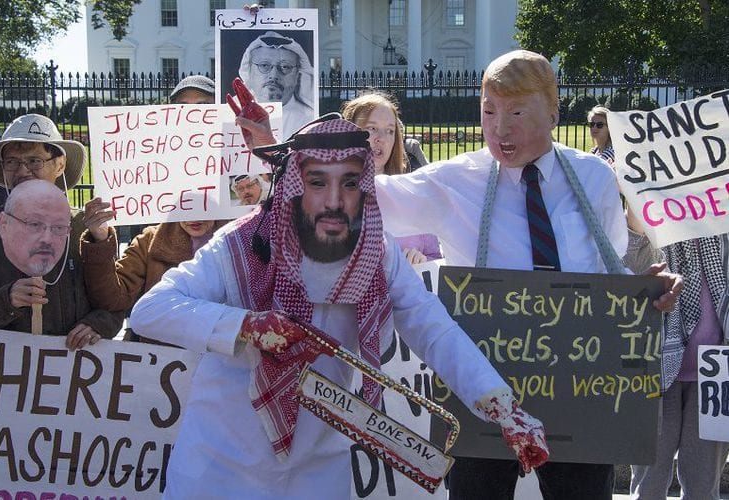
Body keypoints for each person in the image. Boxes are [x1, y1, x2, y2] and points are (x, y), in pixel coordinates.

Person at [128, 117, 549, 499]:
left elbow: (432, 326)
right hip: (221, 467)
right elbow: (153, 309)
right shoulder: (241, 245)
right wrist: (247, 326)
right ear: (295, 185)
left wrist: (502, 406)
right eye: (317, 183)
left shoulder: (378, 253)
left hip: (318, 470)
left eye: (349, 183)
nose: (334, 200)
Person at [374, 49, 683, 500]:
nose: (500, 128)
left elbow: (607, 267)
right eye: (488, 111)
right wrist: (285, 152)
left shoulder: (593, 177)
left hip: (581, 389)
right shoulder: (453, 181)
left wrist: (646, 288)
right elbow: (361, 197)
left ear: (555, 112)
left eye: (517, 112)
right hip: (482, 391)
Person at [80, 75, 227, 342]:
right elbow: (113, 297)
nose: (193, 114)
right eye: (183, 107)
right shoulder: (150, 242)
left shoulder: (244, 238)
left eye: (204, 106)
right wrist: (100, 239)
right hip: (160, 367)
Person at [0, 114, 122, 349]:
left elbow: (114, 302)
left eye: (34, 160)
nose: (22, 171)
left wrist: (99, 324)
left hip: (75, 371)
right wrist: (6, 301)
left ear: (60, 164)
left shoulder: (85, 228)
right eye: (12, 162)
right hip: (7, 375)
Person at [627, 232, 729, 498]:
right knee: (648, 484)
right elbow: (632, 261)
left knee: (703, 487)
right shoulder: (654, 225)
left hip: (716, 375)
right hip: (654, 367)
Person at [342, 92, 441, 264]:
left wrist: (423, 262)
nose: (381, 138)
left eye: (389, 131)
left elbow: (436, 260)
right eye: (371, 128)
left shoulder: (413, 197)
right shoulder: (328, 199)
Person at [239, 30, 315, 138]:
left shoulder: (309, 118)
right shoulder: (230, 114)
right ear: (249, 71)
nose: (274, 75)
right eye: (264, 65)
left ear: (297, 75)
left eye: (285, 67)